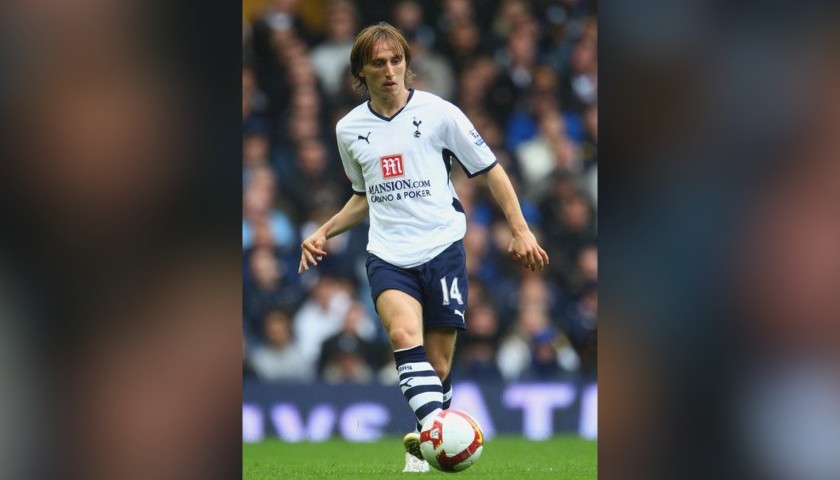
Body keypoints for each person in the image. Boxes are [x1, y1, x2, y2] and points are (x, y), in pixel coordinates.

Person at [298, 22, 549, 473]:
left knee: (437, 363)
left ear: (407, 64)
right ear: (361, 71)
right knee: (402, 338)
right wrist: (324, 232)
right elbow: (365, 196)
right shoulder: (349, 130)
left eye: (397, 61)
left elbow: (491, 169)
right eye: (379, 63)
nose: (391, 70)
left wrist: (521, 230)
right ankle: (442, 437)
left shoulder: (439, 113)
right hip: (388, 255)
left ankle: (424, 442)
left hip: (442, 248)